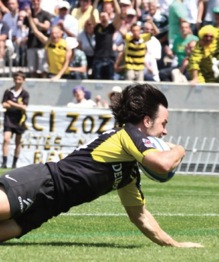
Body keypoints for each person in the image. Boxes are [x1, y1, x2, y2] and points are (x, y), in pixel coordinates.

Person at [0, 83, 203, 248]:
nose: (165, 132)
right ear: (147, 121)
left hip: (49, 208)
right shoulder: (128, 134)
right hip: (39, 183)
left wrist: (174, 245)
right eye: (164, 123)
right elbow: (162, 164)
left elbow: (140, 216)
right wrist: (180, 149)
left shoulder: (128, 173)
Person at [26, 7, 72, 80]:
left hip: (64, 74)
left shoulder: (67, 45)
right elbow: (35, 31)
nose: (54, 35)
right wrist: (29, 17)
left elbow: (67, 62)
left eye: (56, 33)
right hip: (52, 73)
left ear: (61, 33)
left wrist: (59, 76)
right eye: (52, 33)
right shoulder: (48, 42)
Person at [1, 71, 29, 169]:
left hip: (19, 120)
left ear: (23, 81)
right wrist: (18, 105)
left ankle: (14, 163)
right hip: (8, 119)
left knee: (18, 142)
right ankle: (4, 162)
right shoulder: (8, 91)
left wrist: (11, 103)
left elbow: (24, 107)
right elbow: (4, 104)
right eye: (16, 79)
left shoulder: (25, 93)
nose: (17, 81)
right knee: (6, 139)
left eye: (20, 79)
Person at [23, 0, 52, 78]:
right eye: (33, 1)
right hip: (31, 44)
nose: (35, 3)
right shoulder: (29, 14)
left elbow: (47, 27)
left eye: (37, 1)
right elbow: (24, 28)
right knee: (32, 70)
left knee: (43, 69)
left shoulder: (45, 14)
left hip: (42, 45)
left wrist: (38, 23)